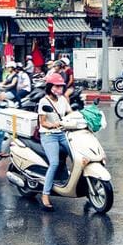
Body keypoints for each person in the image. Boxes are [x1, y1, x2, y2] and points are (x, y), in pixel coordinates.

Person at [36, 73, 72, 211]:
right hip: (49, 135)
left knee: (78, 156)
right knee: (54, 163)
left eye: (61, 86)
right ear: (51, 87)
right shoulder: (44, 102)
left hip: (62, 133)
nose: (60, 88)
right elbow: (43, 122)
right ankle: (45, 194)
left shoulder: (63, 99)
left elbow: (70, 113)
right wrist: (54, 125)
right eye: (57, 86)